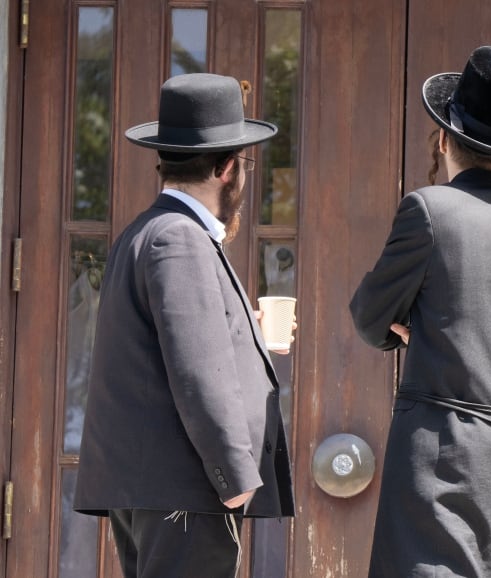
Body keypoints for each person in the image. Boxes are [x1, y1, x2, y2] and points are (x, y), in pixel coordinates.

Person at [74, 73, 295, 578]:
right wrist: (233, 475)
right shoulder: (180, 238)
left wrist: (247, 334)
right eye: (243, 165)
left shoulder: (149, 231)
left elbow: (172, 349)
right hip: (185, 494)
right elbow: (196, 372)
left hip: (161, 491)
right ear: (226, 168)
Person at [350, 46, 491, 577]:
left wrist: (399, 329)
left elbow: (371, 316)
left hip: (442, 459)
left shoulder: (430, 209)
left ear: (443, 138)